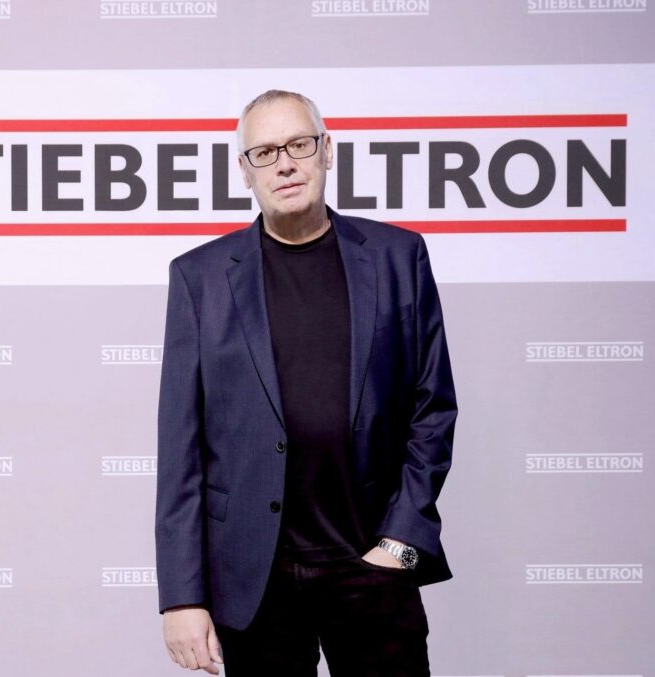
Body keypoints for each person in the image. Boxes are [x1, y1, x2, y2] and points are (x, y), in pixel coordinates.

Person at [155, 89, 457, 676]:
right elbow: (181, 449)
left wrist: (401, 543)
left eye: (298, 145)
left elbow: (432, 409)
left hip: (372, 562)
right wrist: (182, 596)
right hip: (254, 577)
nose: (285, 164)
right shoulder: (199, 277)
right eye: (265, 153)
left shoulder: (398, 257)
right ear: (245, 170)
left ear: (327, 151)